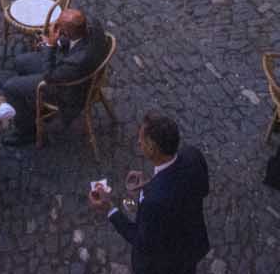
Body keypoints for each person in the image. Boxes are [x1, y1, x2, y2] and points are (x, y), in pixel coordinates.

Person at [88, 111, 211, 274]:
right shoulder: (192, 154)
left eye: (141, 140)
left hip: (166, 265)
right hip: (192, 246)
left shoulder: (153, 202)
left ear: (152, 148)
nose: (138, 142)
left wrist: (109, 208)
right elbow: (202, 189)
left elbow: (141, 240)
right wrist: (151, 183)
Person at [0, 8, 109, 147]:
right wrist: (58, 42)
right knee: (20, 61)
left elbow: (49, 76)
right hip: (66, 66)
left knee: (10, 87)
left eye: (58, 26)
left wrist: (50, 45)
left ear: (67, 33)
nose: (54, 27)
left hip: (67, 89)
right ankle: (32, 105)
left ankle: (27, 131)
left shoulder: (77, 61)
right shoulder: (91, 23)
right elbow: (69, 42)